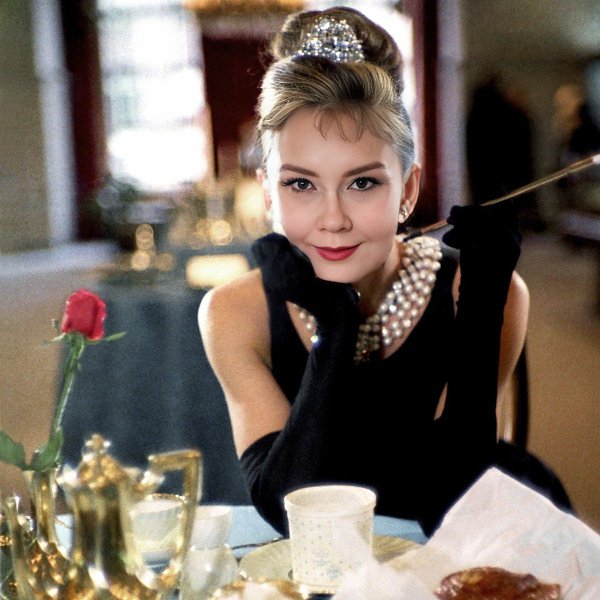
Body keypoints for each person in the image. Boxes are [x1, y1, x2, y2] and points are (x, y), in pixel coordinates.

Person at [198, 6, 530, 536]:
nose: (332, 220)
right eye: (301, 184)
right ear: (268, 192)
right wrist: (336, 327)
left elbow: (458, 510)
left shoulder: (489, 290)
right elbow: (288, 509)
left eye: (363, 183)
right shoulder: (232, 312)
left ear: (409, 190)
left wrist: (483, 307)